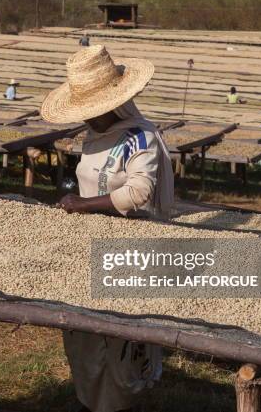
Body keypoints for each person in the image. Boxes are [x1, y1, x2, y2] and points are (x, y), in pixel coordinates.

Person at [40, 45, 174, 412]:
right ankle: (92, 399)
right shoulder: (94, 136)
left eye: (94, 112)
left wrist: (82, 205)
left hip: (128, 247)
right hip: (87, 244)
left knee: (119, 339)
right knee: (83, 334)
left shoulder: (139, 137)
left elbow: (140, 191)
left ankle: (119, 403)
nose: (89, 119)